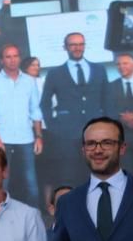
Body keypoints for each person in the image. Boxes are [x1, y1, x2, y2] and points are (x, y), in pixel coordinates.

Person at [40, 34, 110, 179]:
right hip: (66, 132)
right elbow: (44, 103)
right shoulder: (55, 73)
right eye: (73, 45)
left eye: (80, 44)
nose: (77, 48)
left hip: (95, 131)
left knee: (97, 172)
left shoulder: (99, 69)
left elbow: (107, 99)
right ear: (65, 47)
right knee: (70, 174)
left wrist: (109, 127)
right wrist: (53, 126)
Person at [0, 45, 43, 206]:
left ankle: (35, 218)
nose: (12, 60)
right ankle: (1, 217)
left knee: (31, 181)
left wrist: (38, 136)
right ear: (2, 60)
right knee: (3, 180)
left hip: (26, 137)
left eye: (15, 56)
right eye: (8, 57)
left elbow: (35, 110)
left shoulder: (29, 81)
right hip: (3, 138)